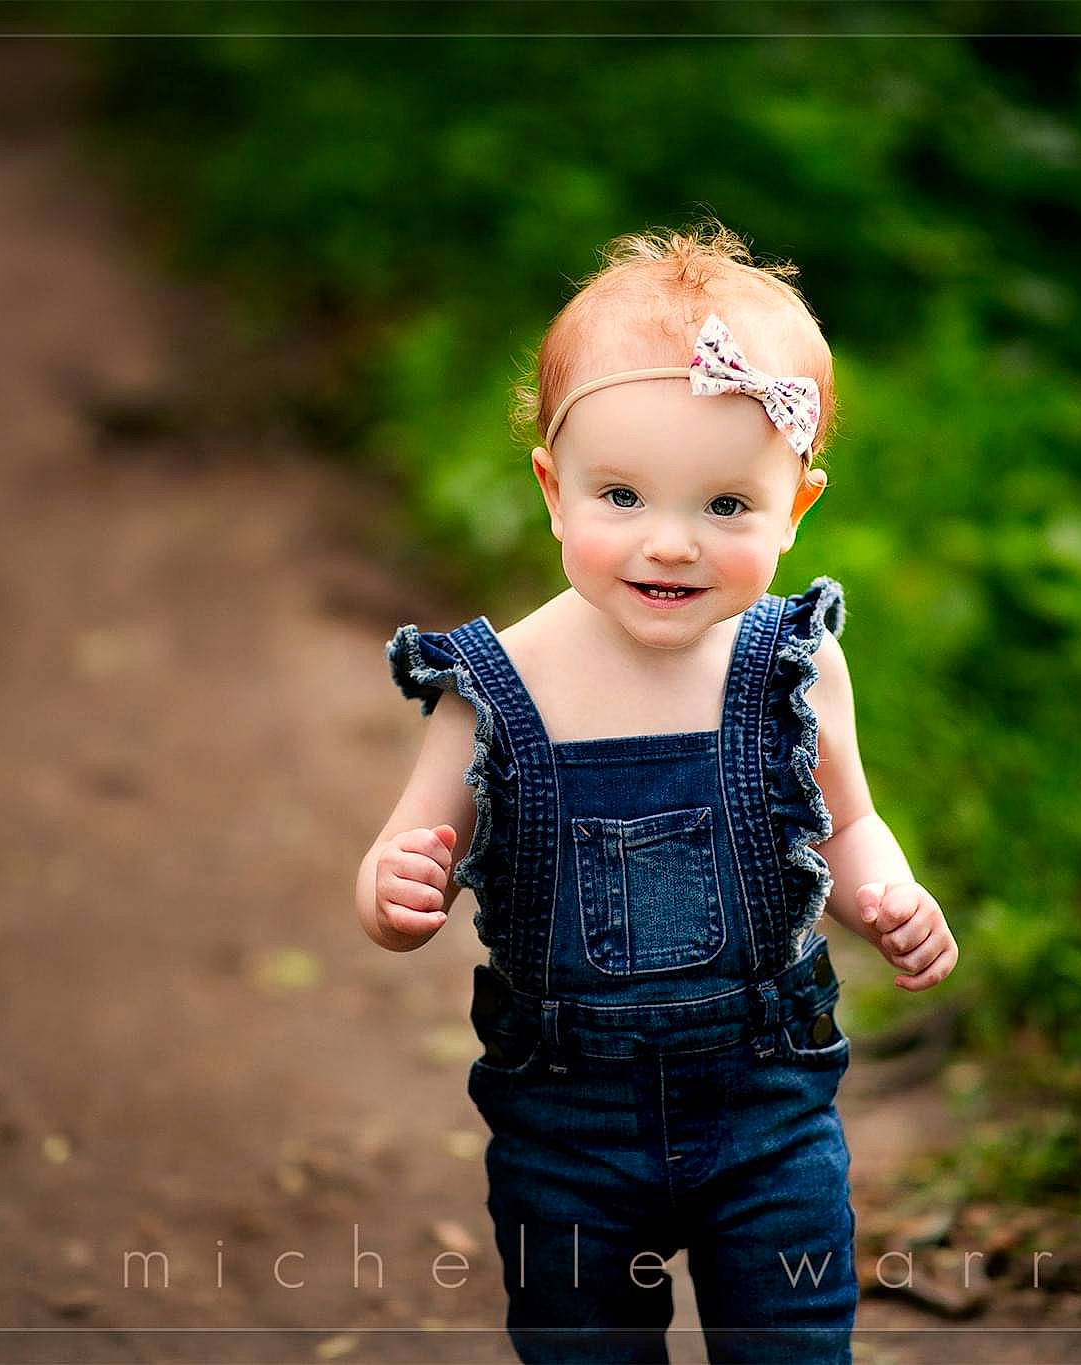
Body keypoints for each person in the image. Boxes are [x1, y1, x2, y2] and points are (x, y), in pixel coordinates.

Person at [353, 221, 958, 1364]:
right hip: (565, 1119)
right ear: (550, 489)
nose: (668, 544)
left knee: (789, 1345)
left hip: (768, 1102)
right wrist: (397, 886)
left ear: (797, 507)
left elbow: (845, 823)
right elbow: (401, 852)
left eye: (725, 507)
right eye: (621, 496)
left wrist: (884, 894)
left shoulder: (793, 664)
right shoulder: (490, 688)